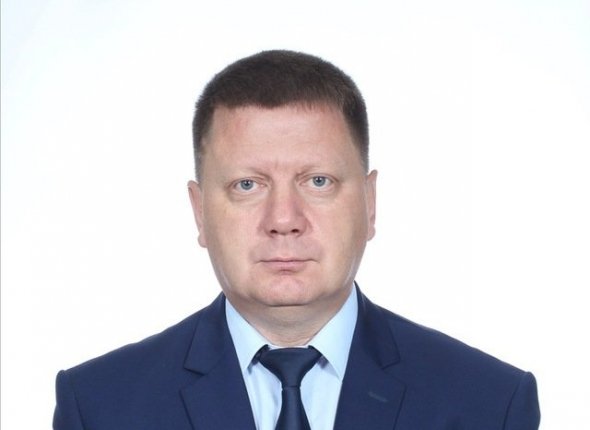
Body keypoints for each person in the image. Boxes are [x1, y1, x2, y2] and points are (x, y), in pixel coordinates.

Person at [53, 50, 540, 430]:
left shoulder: (488, 404)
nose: (283, 220)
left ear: (369, 203)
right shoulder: (99, 407)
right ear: (199, 211)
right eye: (247, 185)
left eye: (318, 181)